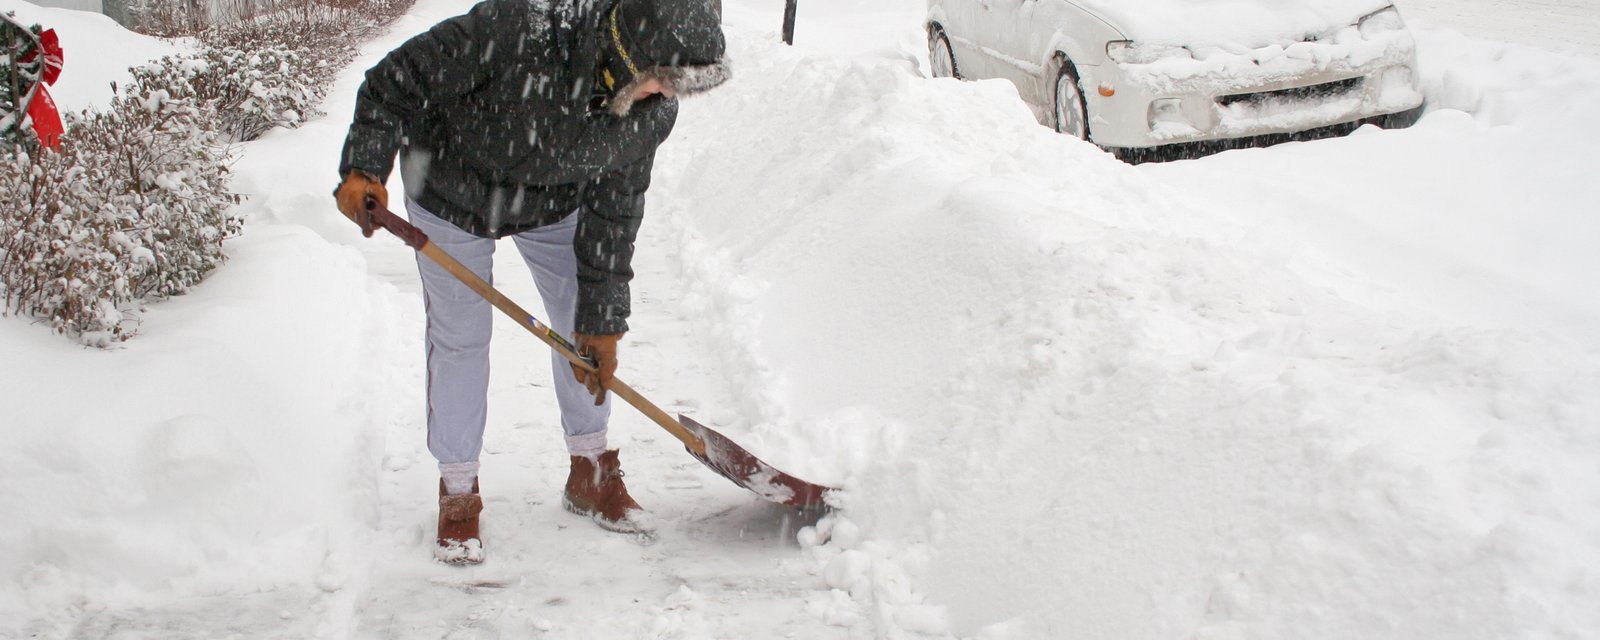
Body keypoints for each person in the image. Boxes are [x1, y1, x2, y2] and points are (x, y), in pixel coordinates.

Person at [332, 0, 728, 564]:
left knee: (578, 328)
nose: (664, 97)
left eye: (675, 88)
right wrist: (365, 166)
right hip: (450, 188)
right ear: (624, 53)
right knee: (460, 338)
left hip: (553, 201)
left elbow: (615, 212)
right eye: (659, 81)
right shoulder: (520, 27)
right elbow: (395, 80)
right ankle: (459, 490)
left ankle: (590, 470)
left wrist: (603, 322)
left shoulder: (652, 111)